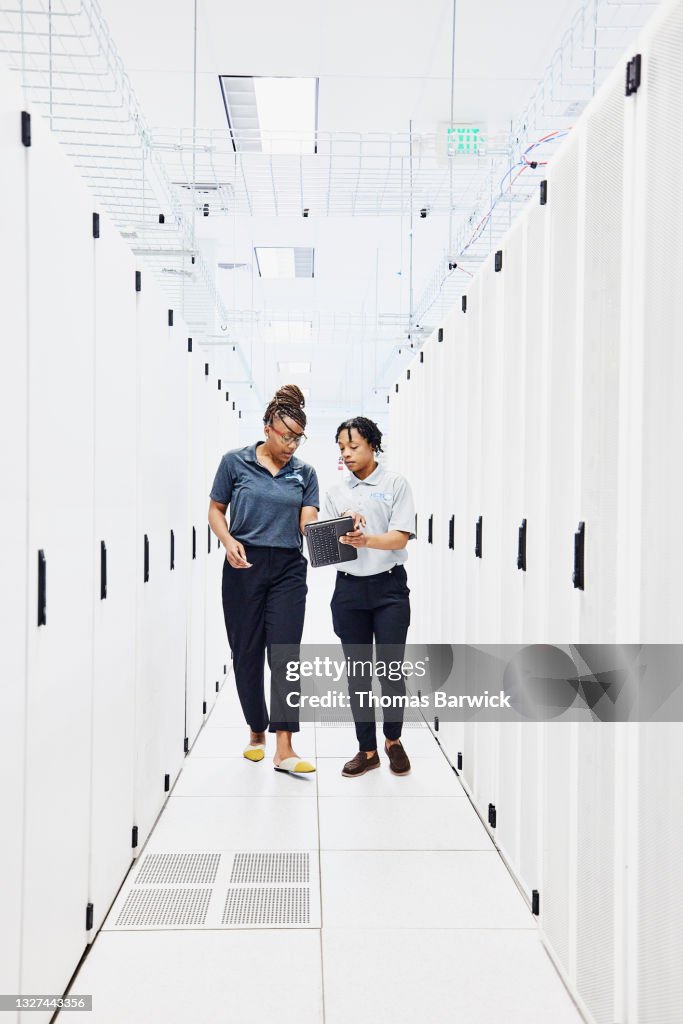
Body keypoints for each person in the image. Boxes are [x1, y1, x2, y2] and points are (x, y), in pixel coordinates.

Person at [208, 384, 319, 775]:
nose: (291, 445)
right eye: (285, 436)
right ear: (267, 428)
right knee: (247, 655)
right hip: (244, 567)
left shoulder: (305, 473)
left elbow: (308, 524)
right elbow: (216, 510)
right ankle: (256, 729)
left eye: (297, 438)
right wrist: (227, 540)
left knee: (285, 656)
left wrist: (337, 533)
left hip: (288, 567)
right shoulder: (234, 463)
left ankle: (284, 746)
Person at [321, 417, 416, 777]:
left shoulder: (395, 484)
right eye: (342, 448)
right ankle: (368, 750)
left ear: (373, 445)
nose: (346, 454)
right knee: (358, 675)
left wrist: (367, 539)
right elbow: (324, 547)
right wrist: (340, 528)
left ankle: (393, 741)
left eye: (354, 447)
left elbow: (400, 538)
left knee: (390, 671)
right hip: (349, 590)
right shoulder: (335, 492)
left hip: (389, 589)